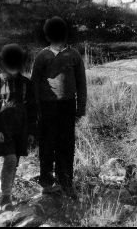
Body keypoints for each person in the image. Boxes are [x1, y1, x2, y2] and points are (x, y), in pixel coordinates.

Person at [31, 16, 87, 197]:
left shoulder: (74, 55)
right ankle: (47, 183)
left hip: (67, 107)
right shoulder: (42, 56)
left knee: (66, 145)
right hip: (47, 107)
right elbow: (34, 85)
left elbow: (81, 83)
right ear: (47, 36)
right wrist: (36, 109)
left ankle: (66, 182)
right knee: (47, 145)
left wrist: (81, 107)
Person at [0, 43, 37, 210]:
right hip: (4, 127)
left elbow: (32, 109)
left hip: (21, 127)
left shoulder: (26, 83)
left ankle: (7, 192)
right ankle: (5, 197)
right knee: (10, 159)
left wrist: (31, 131)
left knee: (14, 161)